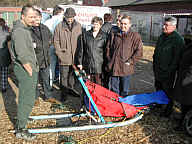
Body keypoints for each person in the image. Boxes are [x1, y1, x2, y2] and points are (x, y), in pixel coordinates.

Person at [11, 4, 37, 140]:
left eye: (34, 16)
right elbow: (21, 54)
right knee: (26, 98)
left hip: (28, 68)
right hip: (25, 68)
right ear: (23, 16)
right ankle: (21, 128)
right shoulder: (20, 31)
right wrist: (30, 70)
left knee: (28, 97)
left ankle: (24, 117)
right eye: (30, 17)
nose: (33, 19)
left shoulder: (24, 29)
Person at [153, 16, 185, 117]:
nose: (163, 27)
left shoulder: (178, 40)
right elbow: (157, 51)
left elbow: (177, 59)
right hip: (158, 69)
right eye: (164, 24)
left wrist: (169, 71)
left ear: (174, 26)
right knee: (158, 87)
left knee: (168, 90)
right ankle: (159, 103)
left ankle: (168, 110)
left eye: (166, 25)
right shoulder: (162, 36)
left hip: (168, 72)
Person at [106, 15, 143, 97]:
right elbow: (108, 48)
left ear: (130, 24)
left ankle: (123, 106)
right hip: (114, 67)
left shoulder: (135, 36)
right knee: (114, 89)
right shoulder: (114, 34)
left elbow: (139, 51)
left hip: (126, 68)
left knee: (124, 90)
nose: (123, 26)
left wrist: (130, 61)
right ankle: (115, 105)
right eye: (122, 23)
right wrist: (110, 60)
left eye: (125, 24)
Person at [31, 8, 60, 104]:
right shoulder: (28, 29)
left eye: (38, 17)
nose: (37, 19)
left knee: (46, 79)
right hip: (34, 59)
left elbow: (51, 39)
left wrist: (49, 44)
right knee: (34, 80)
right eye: (35, 17)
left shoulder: (44, 28)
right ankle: (34, 98)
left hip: (45, 58)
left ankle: (48, 96)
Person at [54, 7, 82, 101]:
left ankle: (71, 90)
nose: (70, 19)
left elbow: (81, 40)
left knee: (73, 76)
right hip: (64, 56)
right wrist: (59, 54)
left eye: (71, 17)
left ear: (74, 17)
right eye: (68, 17)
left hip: (75, 57)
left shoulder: (78, 26)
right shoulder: (59, 26)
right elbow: (56, 41)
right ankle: (64, 94)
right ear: (65, 17)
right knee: (64, 77)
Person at [76, 16, 107, 85]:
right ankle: (86, 96)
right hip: (87, 64)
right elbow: (81, 50)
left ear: (100, 25)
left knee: (98, 86)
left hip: (99, 66)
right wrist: (80, 63)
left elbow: (106, 52)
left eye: (97, 24)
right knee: (87, 85)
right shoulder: (85, 35)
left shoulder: (105, 36)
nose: (95, 26)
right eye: (94, 24)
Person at [173, 42, 191, 131]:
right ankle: (181, 120)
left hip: (188, 81)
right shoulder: (189, 45)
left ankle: (184, 124)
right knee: (183, 102)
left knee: (187, 103)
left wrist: (186, 80)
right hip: (184, 78)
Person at [44, 5, 64, 84]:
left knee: (51, 65)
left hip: (50, 45)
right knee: (61, 65)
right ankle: (61, 83)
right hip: (60, 46)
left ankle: (50, 83)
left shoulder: (47, 22)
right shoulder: (61, 21)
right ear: (59, 13)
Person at [0, 18, 11, 93]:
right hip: (4, 54)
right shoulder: (6, 32)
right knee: (4, 71)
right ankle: (3, 87)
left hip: (3, 53)